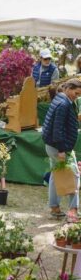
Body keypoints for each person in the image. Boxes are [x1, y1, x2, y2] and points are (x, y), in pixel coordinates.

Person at [42, 79, 81, 223]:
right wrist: (62, 150)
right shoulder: (63, 104)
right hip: (58, 146)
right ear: (69, 88)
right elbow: (57, 129)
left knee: (55, 175)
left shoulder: (60, 99)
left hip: (54, 145)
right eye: (75, 93)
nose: (76, 97)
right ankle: (73, 211)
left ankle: (54, 208)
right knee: (74, 175)